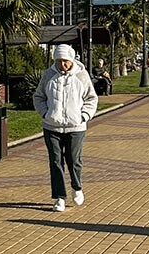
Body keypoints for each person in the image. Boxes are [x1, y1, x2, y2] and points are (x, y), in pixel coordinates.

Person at [32, 44, 99, 212]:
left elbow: (92, 98)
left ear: (72, 60)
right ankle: (59, 197)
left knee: (74, 160)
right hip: (51, 126)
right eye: (59, 61)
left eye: (66, 61)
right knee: (56, 161)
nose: (62, 64)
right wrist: (45, 113)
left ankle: (77, 187)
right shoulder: (48, 75)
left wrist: (84, 116)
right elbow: (38, 96)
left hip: (75, 127)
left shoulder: (82, 76)